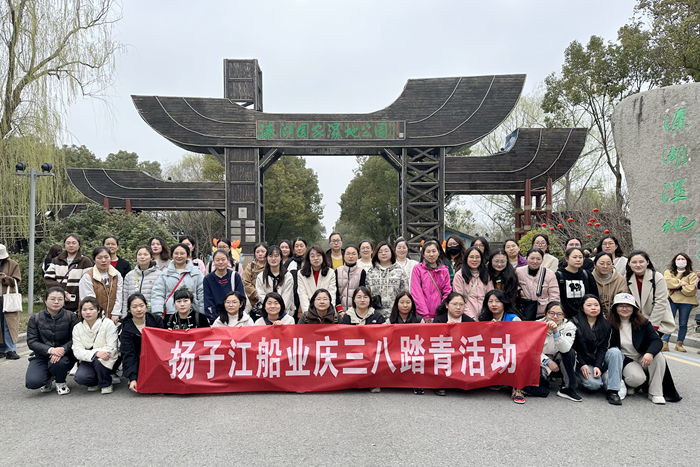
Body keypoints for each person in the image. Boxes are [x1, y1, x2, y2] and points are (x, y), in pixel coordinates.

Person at [608, 293, 681, 404]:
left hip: (643, 357)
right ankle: (632, 384)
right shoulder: (609, 324)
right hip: (626, 360)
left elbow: (656, 340)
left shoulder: (644, 323)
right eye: (621, 306)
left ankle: (655, 392)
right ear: (615, 308)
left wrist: (649, 353)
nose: (624, 309)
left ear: (634, 308)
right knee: (636, 378)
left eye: (628, 306)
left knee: (658, 356)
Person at [571, 295, 624, 405]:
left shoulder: (606, 325)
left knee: (615, 352)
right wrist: (582, 364)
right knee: (593, 385)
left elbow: (603, 348)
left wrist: (598, 365)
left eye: (596, 305)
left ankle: (613, 391)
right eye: (589, 305)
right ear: (582, 307)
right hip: (583, 361)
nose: (593, 308)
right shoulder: (574, 323)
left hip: (599, 359)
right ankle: (606, 377)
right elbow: (573, 348)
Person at [25, 287, 79, 395]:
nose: (56, 302)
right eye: (52, 299)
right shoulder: (35, 318)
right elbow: (32, 342)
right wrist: (50, 350)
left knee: (59, 363)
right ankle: (48, 377)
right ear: (45, 301)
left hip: (64, 355)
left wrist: (62, 349)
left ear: (64, 301)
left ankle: (60, 381)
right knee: (33, 382)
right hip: (42, 355)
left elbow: (76, 339)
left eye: (60, 299)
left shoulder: (71, 316)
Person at [525, 302, 581, 402]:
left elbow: (565, 349)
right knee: (540, 389)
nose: (555, 317)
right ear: (545, 313)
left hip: (559, 357)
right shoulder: (536, 324)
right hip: (540, 358)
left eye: (559, 314)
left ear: (564, 315)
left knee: (570, 353)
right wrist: (547, 361)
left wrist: (555, 332)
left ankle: (567, 388)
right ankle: (543, 382)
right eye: (551, 313)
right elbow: (531, 349)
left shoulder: (569, 326)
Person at [478, 290, 523, 403]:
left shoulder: (513, 318)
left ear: (504, 303)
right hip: (492, 350)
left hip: (511, 349)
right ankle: (495, 379)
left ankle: (517, 388)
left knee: (517, 356)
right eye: (490, 301)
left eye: (497, 301)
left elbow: (521, 339)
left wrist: (500, 329)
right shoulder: (484, 318)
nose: (494, 304)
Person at [72, 297, 119, 394]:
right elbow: (77, 351)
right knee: (80, 378)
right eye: (84, 309)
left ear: (98, 310)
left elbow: (112, 346)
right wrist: (95, 353)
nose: (88, 312)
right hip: (89, 359)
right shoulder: (77, 328)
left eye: (91, 309)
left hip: (107, 357)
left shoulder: (108, 324)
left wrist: (97, 354)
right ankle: (95, 382)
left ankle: (106, 384)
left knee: (99, 360)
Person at [120, 293, 165, 392]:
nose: (139, 309)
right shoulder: (126, 328)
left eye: (141, 305)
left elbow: (163, 345)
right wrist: (133, 378)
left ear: (146, 306)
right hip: (138, 361)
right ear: (129, 309)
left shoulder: (156, 320)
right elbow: (128, 354)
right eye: (134, 307)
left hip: (156, 359)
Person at [625, 250, 675, 338]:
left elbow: (660, 302)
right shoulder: (626, 279)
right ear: (629, 263)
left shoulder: (657, 277)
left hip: (656, 321)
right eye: (634, 262)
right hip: (636, 322)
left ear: (647, 262)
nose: (638, 265)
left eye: (641, 261)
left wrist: (652, 327)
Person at [151, 243, 205, 317]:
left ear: (187, 255)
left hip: (192, 313)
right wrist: (158, 312)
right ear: (172, 255)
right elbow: (158, 293)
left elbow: (202, 294)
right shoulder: (165, 274)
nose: (179, 256)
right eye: (176, 253)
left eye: (182, 253)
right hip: (170, 313)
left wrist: (202, 313)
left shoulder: (197, 273)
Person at [43, 233, 94, 312]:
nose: (71, 245)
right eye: (68, 243)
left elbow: (88, 281)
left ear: (79, 245)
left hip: (78, 302)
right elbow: (48, 278)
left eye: (74, 243)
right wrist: (61, 291)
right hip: (58, 301)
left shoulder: (85, 261)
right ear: (64, 245)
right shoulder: (56, 260)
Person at [662, 253, 697, 352]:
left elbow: (691, 290)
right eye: (678, 259)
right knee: (669, 321)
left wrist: (678, 287)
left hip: (687, 301)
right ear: (674, 261)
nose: (680, 261)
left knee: (683, 323)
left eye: (683, 259)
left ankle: (679, 343)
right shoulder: (668, 272)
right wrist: (681, 283)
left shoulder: (692, 274)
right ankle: (664, 342)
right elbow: (667, 282)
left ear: (687, 261)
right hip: (672, 299)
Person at [78, 246, 124, 323]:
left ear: (110, 258)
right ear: (94, 260)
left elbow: (119, 296)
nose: (103, 260)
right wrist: (101, 317)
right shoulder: (87, 276)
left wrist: (115, 314)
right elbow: (89, 300)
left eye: (106, 257)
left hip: (113, 319)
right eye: (99, 258)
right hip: (93, 318)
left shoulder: (116, 275)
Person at [410, 239, 451, 322]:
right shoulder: (417, 269)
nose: (431, 254)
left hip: (440, 314)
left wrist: (441, 309)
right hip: (421, 315)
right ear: (423, 254)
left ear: (438, 253)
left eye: (434, 251)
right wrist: (424, 314)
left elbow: (447, 291)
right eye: (428, 252)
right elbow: (416, 292)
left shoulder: (444, 270)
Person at [365, 241, 408, 319]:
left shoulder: (399, 271)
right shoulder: (371, 271)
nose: (383, 253)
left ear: (392, 252)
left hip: (395, 314)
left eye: (386, 251)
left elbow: (405, 293)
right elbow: (367, 293)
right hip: (375, 314)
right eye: (380, 252)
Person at [204, 249, 246, 323]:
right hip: (216, 318)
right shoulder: (208, 279)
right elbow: (208, 300)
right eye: (217, 260)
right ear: (213, 261)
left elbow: (241, 297)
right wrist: (214, 319)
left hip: (234, 316)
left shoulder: (235, 276)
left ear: (228, 260)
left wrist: (236, 314)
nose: (220, 262)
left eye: (223, 259)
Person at [515, 248, 560, 319]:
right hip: (524, 310)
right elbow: (512, 286)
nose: (535, 261)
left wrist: (552, 311)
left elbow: (554, 294)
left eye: (538, 259)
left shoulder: (549, 274)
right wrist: (519, 291)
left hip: (542, 312)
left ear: (542, 260)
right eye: (532, 258)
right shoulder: (518, 272)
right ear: (526, 258)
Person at [556, 247, 599, 319]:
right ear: (566, 259)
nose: (578, 260)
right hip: (565, 315)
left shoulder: (587, 274)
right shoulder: (559, 275)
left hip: (584, 315)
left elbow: (594, 295)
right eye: (575, 257)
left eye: (580, 257)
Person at [453, 247, 493, 320]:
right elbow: (458, 299)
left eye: (477, 257)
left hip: (484, 317)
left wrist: (485, 314)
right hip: (466, 317)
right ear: (466, 258)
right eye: (471, 257)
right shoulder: (459, 276)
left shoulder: (486, 275)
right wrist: (471, 317)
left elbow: (491, 296)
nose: (474, 260)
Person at [122, 246, 162, 316]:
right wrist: (124, 315)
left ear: (151, 257)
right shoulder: (129, 275)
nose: (142, 257)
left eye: (145, 255)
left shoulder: (159, 275)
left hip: (151, 314)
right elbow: (125, 297)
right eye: (139, 254)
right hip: (133, 315)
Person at [255, 245, 295, 316]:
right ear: (267, 258)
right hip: (266, 312)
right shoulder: (260, 276)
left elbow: (287, 296)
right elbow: (261, 295)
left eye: (276, 256)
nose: (273, 258)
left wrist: (280, 309)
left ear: (281, 258)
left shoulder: (288, 276)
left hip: (284, 312)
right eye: (270, 256)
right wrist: (270, 307)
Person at [298, 246, 337, 314]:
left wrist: (328, 311)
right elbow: (302, 295)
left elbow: (332, 294)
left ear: (323, 257)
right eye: (312, 256)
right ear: (308, 258)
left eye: (318, 255)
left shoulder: (330, 272)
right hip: (309, 310)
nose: (316, 258)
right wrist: (308, 313)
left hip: (326, 311)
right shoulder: (301, 274)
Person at [591, 252, 629, 318]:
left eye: (609, 264)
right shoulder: (590, 278)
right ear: (595, 265)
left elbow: (622, 299)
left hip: (615, 315)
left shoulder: (620, 279)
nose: (605, 266)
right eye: (602, 263)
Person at [0, 244, 21, 360]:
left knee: (9, 324)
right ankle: (1, 349)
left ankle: (11, 349)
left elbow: (16, 281)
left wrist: (5, 278)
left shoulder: (12, 264)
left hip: (8, 297)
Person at [335, 245, 367, 315]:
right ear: (344, 255)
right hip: (339, 311)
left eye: (354, 254)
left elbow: (361, 292)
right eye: (348, 254)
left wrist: (352, 309)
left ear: (358, 256)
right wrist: (340, 310)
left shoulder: (362, 272)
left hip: (356, 311)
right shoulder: (338, 271)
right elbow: (335, 291)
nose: (350, 256)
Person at [242, 242, 268, 310]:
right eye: (257, 252)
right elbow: (246, 282)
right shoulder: (250, 267)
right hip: (253, 302)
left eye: (263, 251)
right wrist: (256, 294)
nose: (260, 254)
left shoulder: (271, 266)